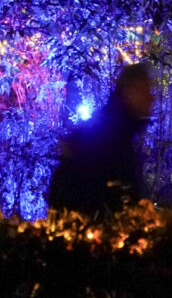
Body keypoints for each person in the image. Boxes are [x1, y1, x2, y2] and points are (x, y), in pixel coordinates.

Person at [48, 62, 154, 216]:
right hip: (93, 232)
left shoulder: (120, 130)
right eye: (146, 90)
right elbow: (95, 191)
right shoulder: (108, 133)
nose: (151, 98)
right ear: (130, 91)